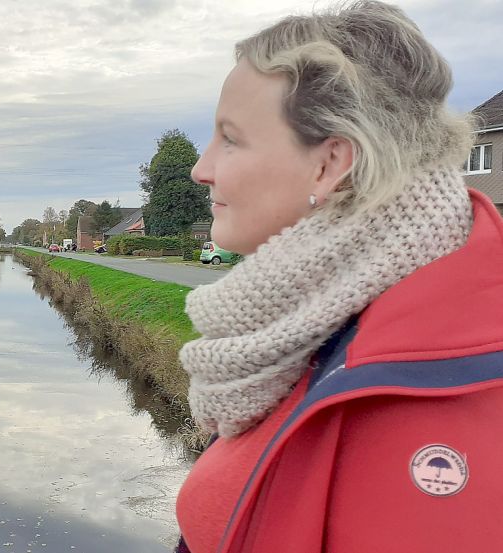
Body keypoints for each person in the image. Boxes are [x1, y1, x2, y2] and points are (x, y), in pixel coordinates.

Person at [173, 2, 503, 552]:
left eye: (229, 138)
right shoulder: (311, 323)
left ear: (329, 165)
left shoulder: (443, 398)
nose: (201, 168)